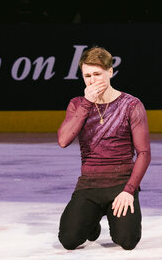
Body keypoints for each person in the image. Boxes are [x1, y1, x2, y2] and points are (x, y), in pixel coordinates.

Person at [58, 46, 149, 251]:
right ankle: (92, 223)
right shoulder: (77, 104)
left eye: (97, 74)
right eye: (87, 75)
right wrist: (87, 104)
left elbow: (144, 153)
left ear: (110, 71)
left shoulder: (131, 104)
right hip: (89, 185)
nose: (92, 80)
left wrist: (129, 190)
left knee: (127, 240)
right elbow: (63, 140)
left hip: (120, 185)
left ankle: (113, 214)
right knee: (69, 240)